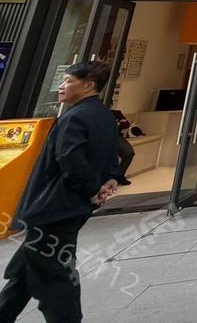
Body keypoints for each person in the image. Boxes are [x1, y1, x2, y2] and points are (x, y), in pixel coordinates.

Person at [0, 61, 120, 323]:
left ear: (88, 85)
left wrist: (92, 189)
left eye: (68, 81)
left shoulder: (75, 117)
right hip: (68, 209)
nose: (61, 86)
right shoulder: (103, 115)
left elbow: (70, 159)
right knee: (24, 274)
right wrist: (110, 179)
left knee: (56, 279)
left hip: (54, 209)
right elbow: (112, 153)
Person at [111, 109, 134, 187]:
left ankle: (119, 175)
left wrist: (119, 124)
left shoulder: (116, 113)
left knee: (129, 152)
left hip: (116, 136)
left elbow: (126, 124)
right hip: (100, 136)